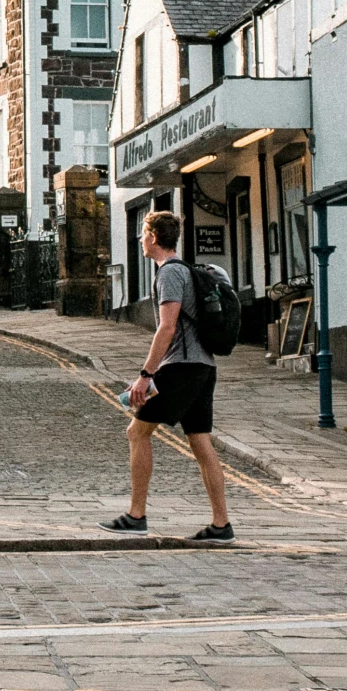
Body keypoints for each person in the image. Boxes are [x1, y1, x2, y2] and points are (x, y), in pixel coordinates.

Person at [105, 209, 233, 541]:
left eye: (143, 234)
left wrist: (146, 375)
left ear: (153, 237)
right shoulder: (183, 270)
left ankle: (136, 516)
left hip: (183, 368)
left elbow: (167, 327)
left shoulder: (170, 274)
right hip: (204, 366)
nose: (140, 240)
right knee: (201, 442)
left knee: (137, 433)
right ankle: (221, 525)